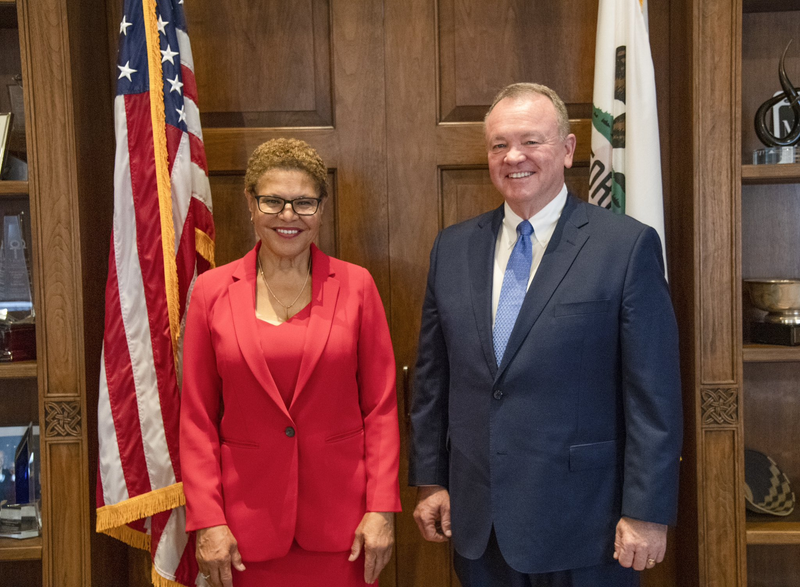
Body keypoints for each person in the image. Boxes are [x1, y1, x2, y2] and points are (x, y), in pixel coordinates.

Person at [409, 83, 682, 586]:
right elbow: (432, 379)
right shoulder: (451, 249)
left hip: (589, 525)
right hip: (479, 521)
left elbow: (654, 395)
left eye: (531, 141)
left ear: (568, 149)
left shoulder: (625, 247)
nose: (514, 156)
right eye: (499, 144)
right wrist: (431, 479)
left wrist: (646, 511)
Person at [180, 138, 401, 587]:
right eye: (273, 201)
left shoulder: (357, 287)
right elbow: (197, 418)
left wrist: (381, 509)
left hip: (345, 531)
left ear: (321, 209)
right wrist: (207, 519)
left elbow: (381, 409)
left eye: (303, 203)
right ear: (250, 203)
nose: (287, 216)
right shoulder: (211, 293)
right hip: (243, 534)